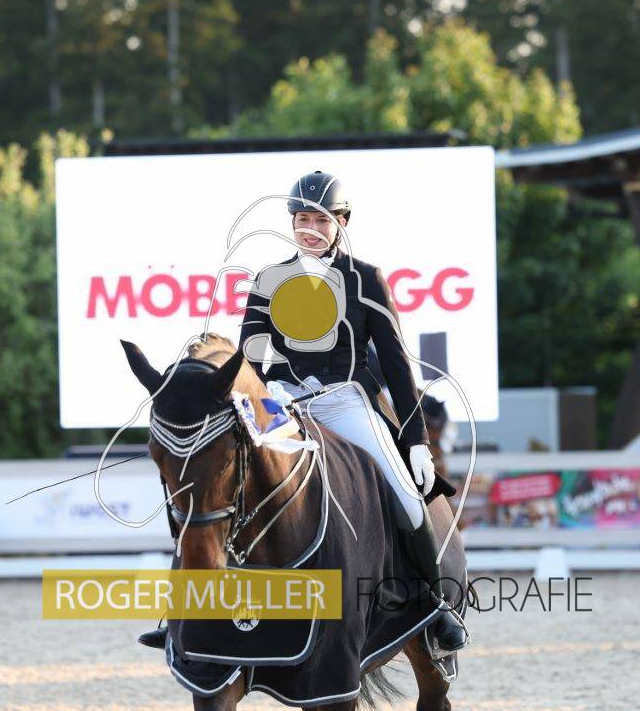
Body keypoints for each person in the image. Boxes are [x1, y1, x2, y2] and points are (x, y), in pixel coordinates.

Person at [139, 171, 467, 656]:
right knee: (215, 480)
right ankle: (182, 615)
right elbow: (250, 357)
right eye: (301, 220)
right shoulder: (270, 280)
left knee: (404, 491)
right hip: (280, 402)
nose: (309, 229)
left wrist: (416, 439)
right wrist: (251, 405)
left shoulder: (366, 279)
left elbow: (397, 365)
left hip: (345, 400)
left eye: (320, 220)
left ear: (341, 223)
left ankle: (435, 606)